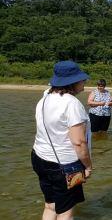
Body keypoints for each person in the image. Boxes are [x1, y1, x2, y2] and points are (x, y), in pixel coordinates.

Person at [31, 61, 93, 219]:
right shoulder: (71, 104)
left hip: (39, 158)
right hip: (65, 165)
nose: (84, 82)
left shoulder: (45, 98)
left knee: (51, 206)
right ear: (72, 82)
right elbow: (78, 142)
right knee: (66, 211)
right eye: (82, 80)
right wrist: (88, 166)